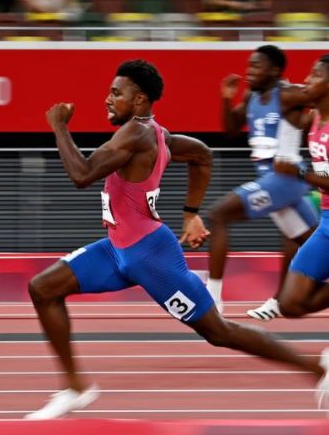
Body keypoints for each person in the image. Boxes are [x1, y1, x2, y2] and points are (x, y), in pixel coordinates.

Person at [25, 59, 328, 419]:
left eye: (115, 93)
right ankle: (76, 388)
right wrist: (191, 212)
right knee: (43, 288)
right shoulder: (158, 134)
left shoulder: (136, 134)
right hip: (117, 248)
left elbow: (82, 174)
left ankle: (316, 369)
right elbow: (201, 155)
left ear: (139, 99)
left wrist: (59, 128)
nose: (107, 99)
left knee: (219, 332)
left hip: (150, 256)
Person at [208, 45, 319, 321]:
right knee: (303, 240)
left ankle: (212, 298)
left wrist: (313, 116)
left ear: (274, 70)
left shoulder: (288, 94)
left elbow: (319, 93)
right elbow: (231, 130)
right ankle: (279, 300)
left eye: (256, 67)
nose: (249, 72)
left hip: (284, 178)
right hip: (271, 180)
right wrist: (225, 99)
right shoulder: (251, 96)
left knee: (218, 214)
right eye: (249, 66)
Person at [274, 55, 329, 323]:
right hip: (327, 225)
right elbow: (285, 105)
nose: (307, 80)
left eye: (316, 75)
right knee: (290, 304)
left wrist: (299, 172)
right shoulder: (314, 117)